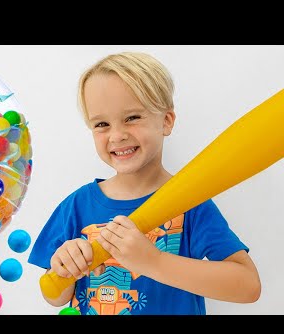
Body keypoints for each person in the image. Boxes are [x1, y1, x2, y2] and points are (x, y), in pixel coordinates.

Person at [27, 51, 261, 315]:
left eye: (132, 117)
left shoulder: (191, 203)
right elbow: (54, 297)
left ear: (166, 121)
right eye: (102, 124)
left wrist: (153, 261)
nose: (117, 135)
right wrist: (64, 269)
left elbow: (248, 285)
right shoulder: (77, 205)